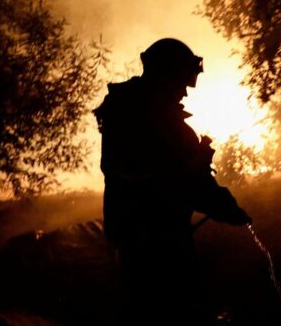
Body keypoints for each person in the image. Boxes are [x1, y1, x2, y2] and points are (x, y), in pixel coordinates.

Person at [94, 38, 251, 325]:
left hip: (131, 242)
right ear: (166, 77)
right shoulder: (162, 126)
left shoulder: (125, 114)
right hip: (162, 244)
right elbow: (190, 185)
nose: (186, 92)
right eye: (182, 82)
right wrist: (229, 209)